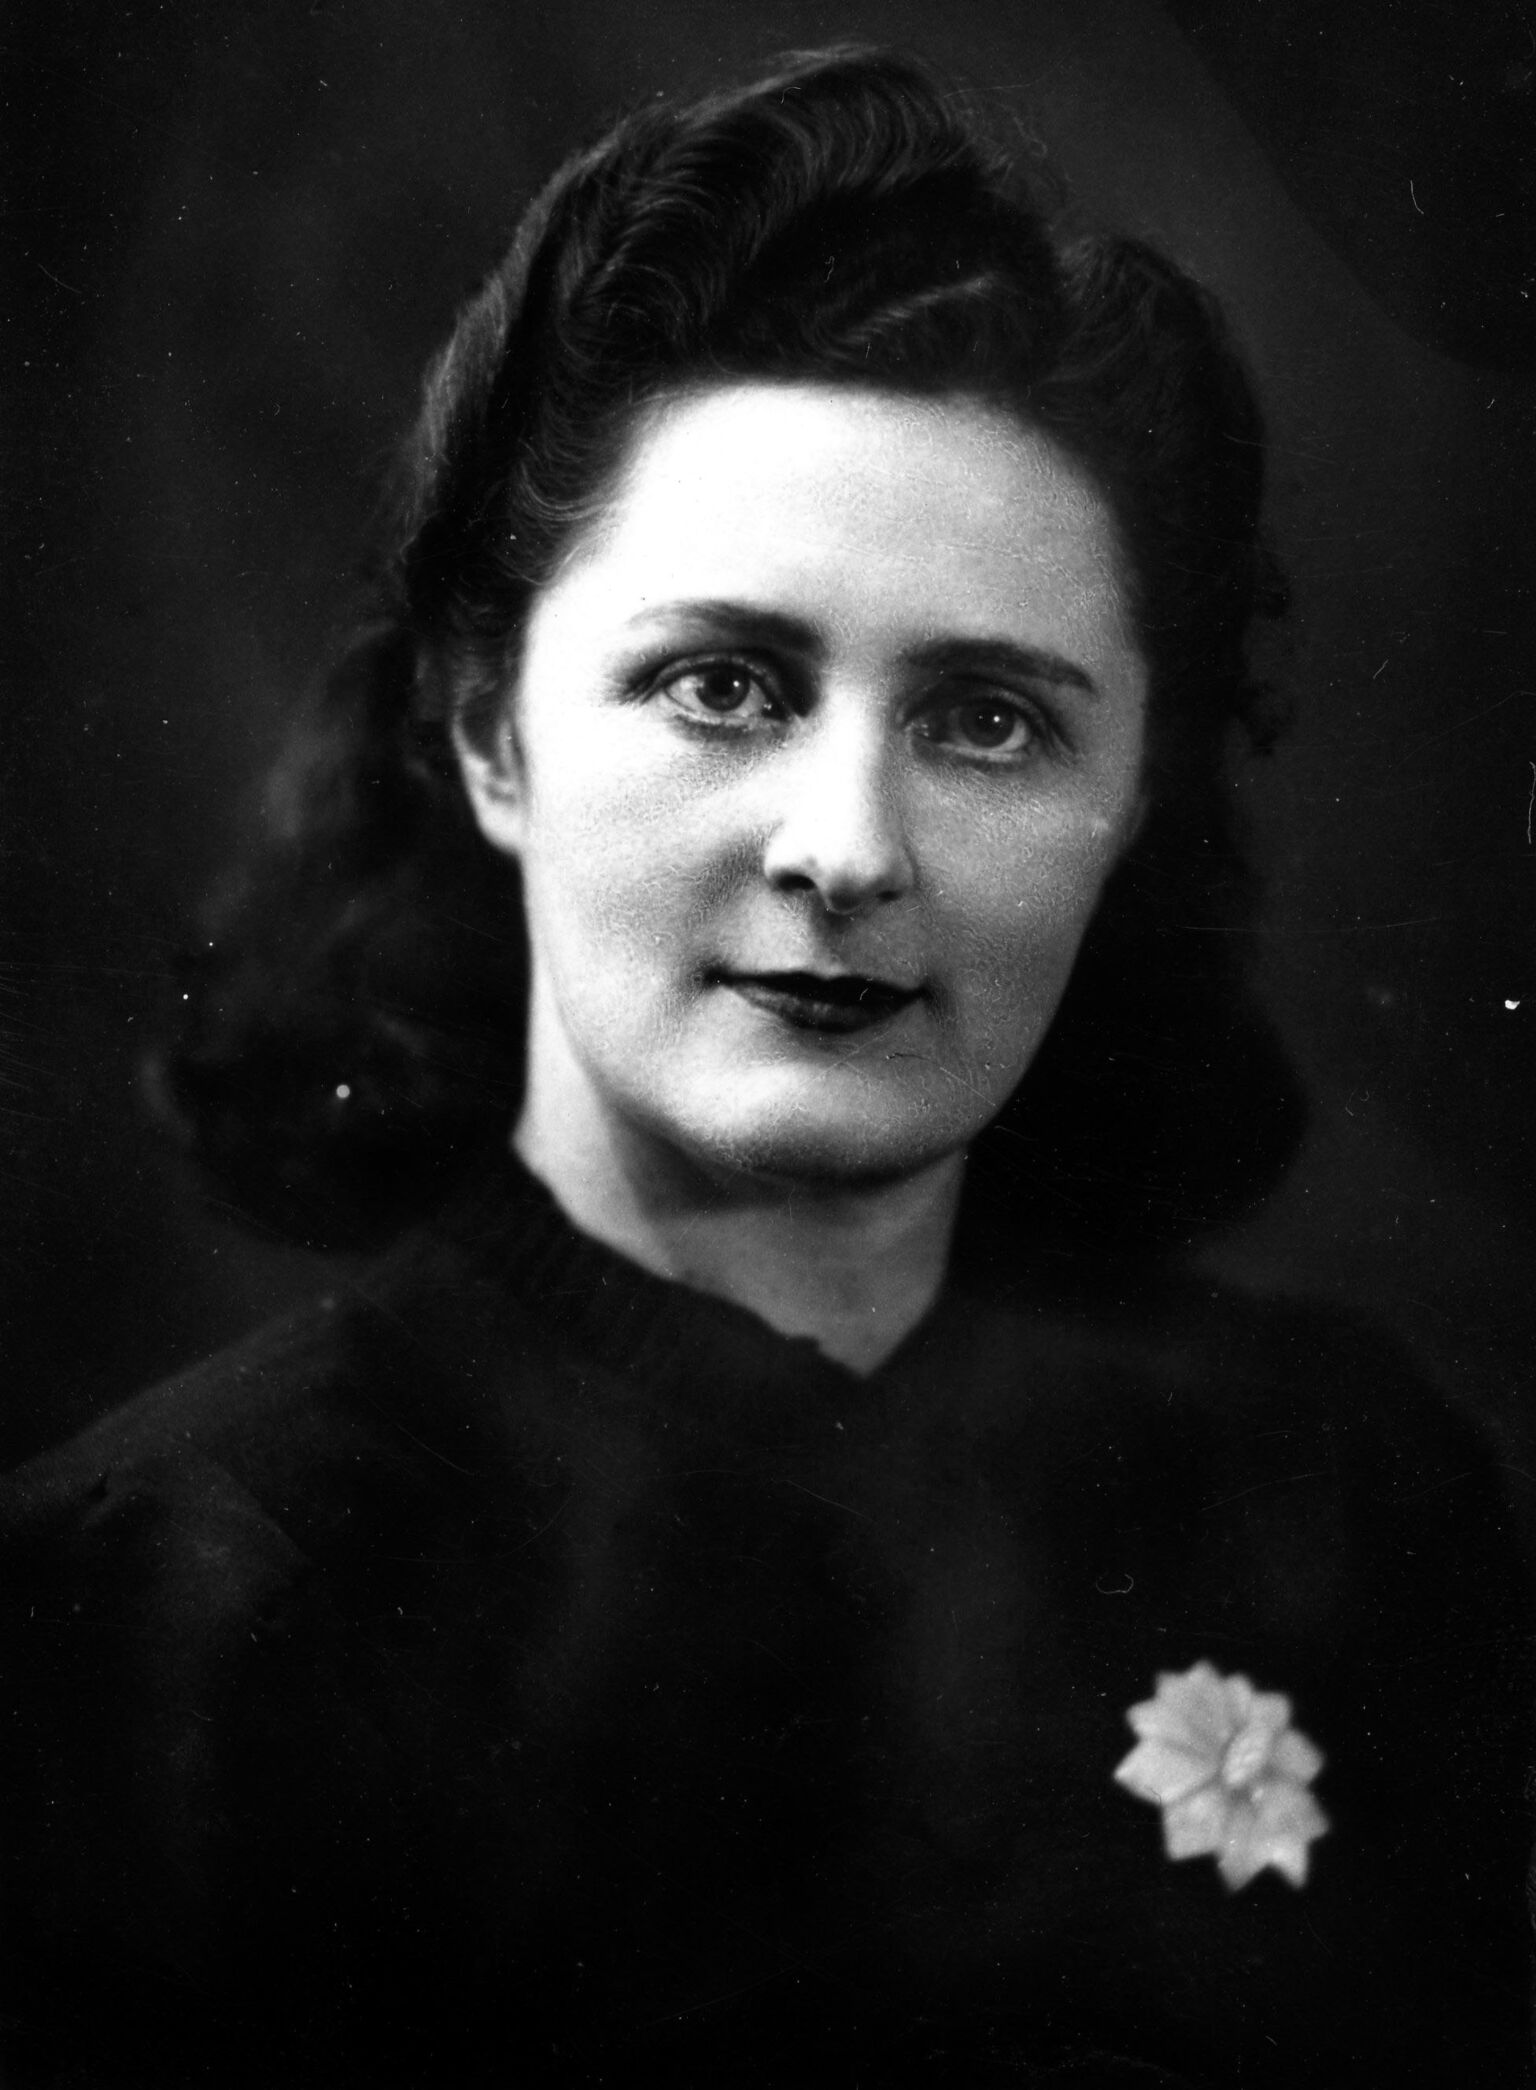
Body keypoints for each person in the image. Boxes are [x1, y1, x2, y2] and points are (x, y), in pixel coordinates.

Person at [1, 45, 1529, 2090]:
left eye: (988, 720)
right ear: (493, 733)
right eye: (724, 684)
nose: (849, 848)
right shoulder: (139, 1627)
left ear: (1134, 805)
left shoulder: (1348, 1501)